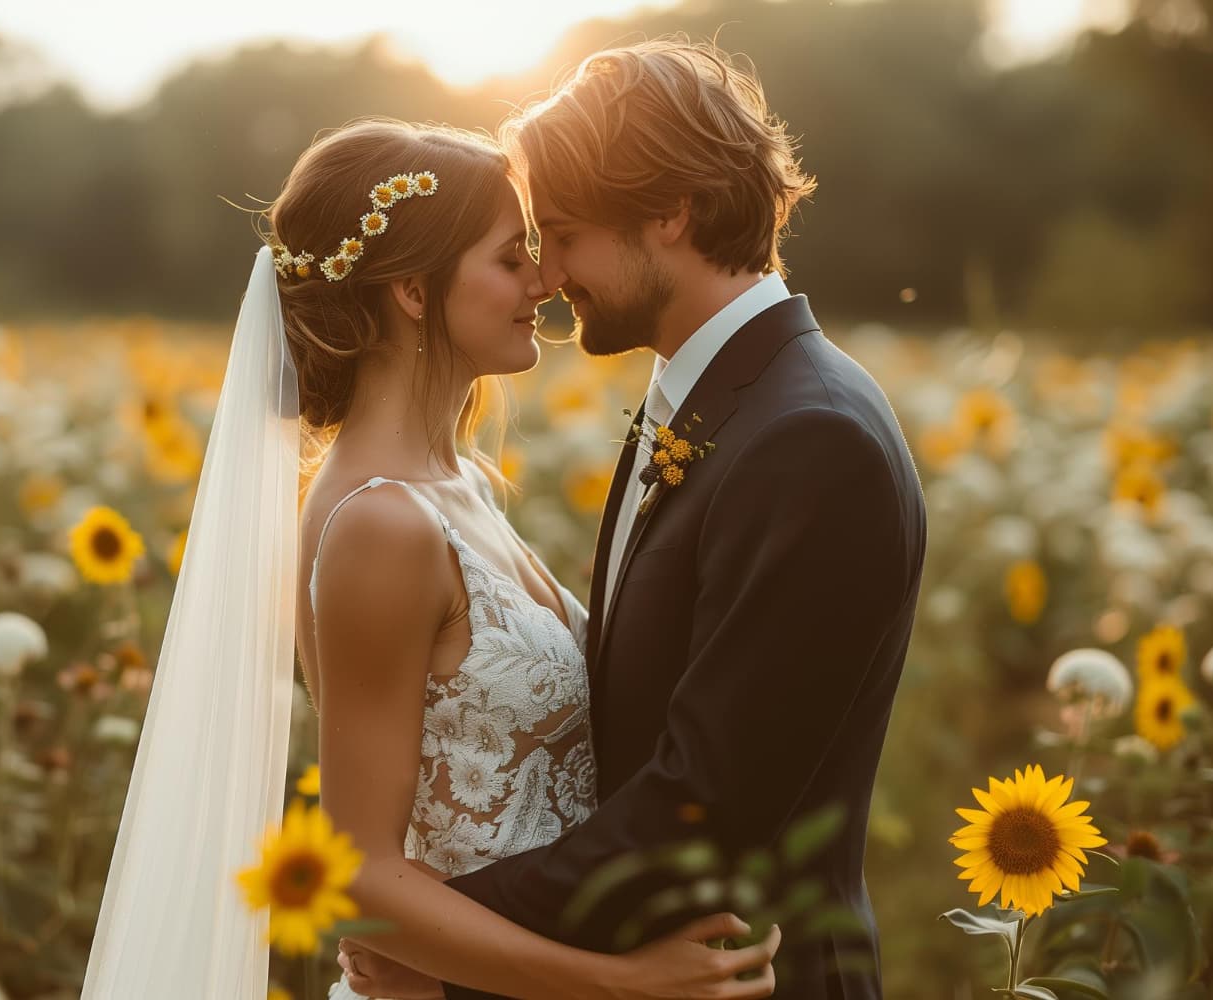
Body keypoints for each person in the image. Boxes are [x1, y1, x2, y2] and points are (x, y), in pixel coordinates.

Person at [81, 116, 778, 999]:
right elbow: (363, 876)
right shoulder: (383, 524)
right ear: (413, 290)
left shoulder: (460, 483)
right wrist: (616, 983)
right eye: (509, 257)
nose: (545, 279)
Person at [342, 37, 928, 1000]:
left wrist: (437, 940)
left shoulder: (811, 438)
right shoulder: (709, 400)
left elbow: (701, 804)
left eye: (565, 233)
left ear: (670, 211)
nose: (550, 274)